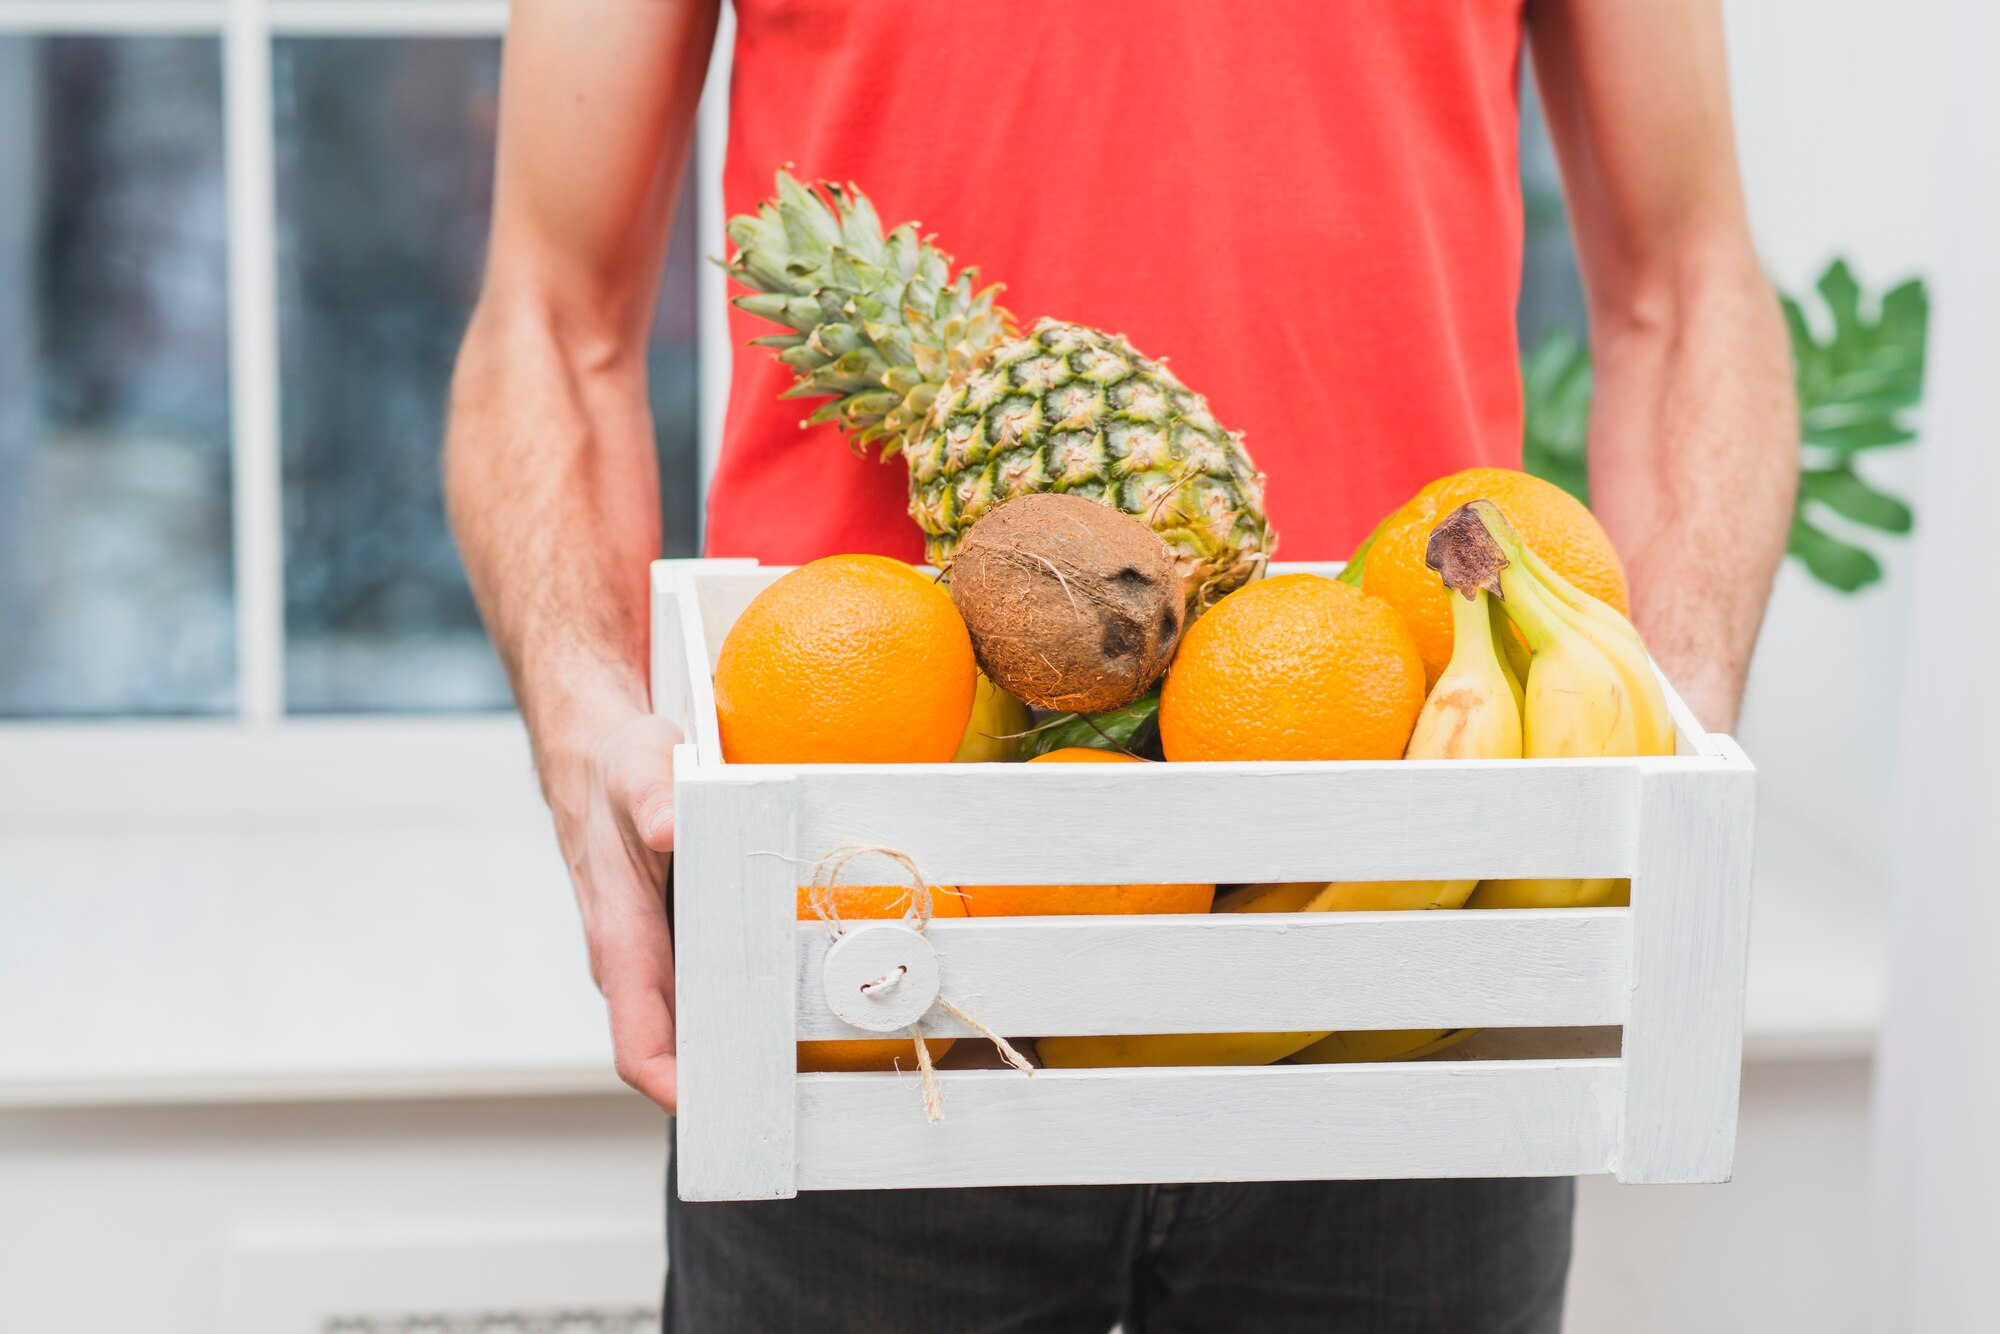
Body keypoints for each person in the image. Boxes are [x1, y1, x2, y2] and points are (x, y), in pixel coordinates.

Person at [445, 2, 1796, 1329]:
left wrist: (1666, 734)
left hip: (1408, 955)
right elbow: (556, 317)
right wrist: (587, 747)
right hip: (873, 967)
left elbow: (1685, 291)